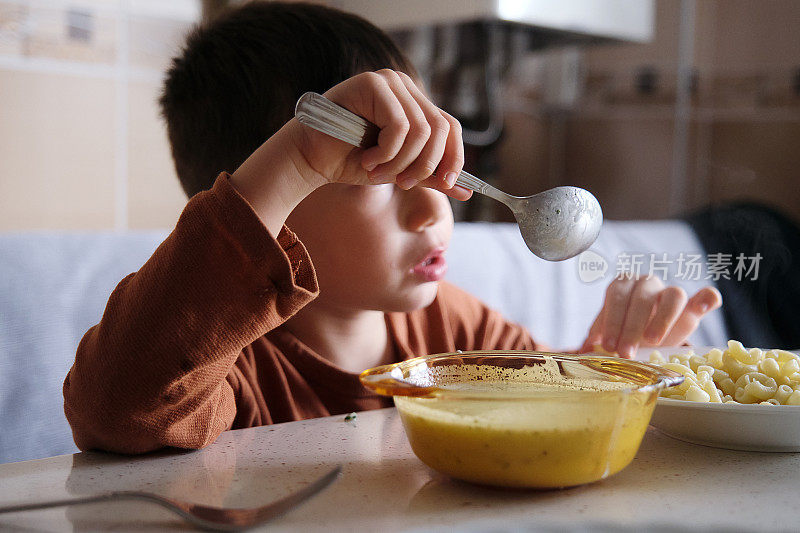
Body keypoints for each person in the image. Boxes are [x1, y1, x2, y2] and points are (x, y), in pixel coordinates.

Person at [63, 1, 722, 454]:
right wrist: (295, 154)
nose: (435, 206)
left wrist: (602, 373)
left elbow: (540, 410)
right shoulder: (230, 370)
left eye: (432, 170)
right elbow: (115, 410)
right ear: (278, 200)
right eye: (380, 175)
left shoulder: (457, 334)